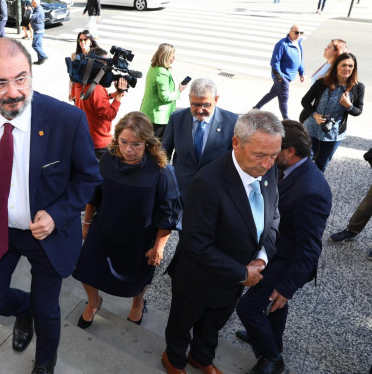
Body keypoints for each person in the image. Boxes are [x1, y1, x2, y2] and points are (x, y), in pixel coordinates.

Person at [0, 38, 101, 374]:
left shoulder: (67, 120)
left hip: (47, 237)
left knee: (48, 308)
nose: (13, 92)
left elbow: (88, 177)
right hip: (0, 230)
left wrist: (56, 215)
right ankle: (24, 311)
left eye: (21, 78)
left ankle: (44, 362)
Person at [162, 110, 282, 374]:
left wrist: (262, 257)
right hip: (198, 277)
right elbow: (197, 245)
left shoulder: (269, 170)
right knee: (182, 324)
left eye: (274, 156)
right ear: (236, 143)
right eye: (260, 155)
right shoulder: (207, 182)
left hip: (237, 278)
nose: (267, 165)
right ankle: (174, 359)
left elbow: (273, 215)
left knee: (213, 324)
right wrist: (243, 273)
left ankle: (201, 358)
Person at [236, 120, 331, 374]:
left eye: (274, 150)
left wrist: (287, 286)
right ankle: (269, 340)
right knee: (273, 305)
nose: (269, 156)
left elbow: (310, 247)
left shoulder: (312, 190)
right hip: (273, 252)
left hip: (285, 261)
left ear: (289, 151)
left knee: (248, 308)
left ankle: (272, 359)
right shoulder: (288, 169)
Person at [73, 111, 182, 329]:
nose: (128, 150)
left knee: (136, 280)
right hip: (104, 229)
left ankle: (138, 303)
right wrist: (86, 224)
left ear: (148, 143)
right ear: (117, 139)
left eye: (136, 144)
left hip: (139, 238)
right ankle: (94, 301)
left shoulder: (161, 171)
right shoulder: (107, 160)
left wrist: (159, 247)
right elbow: (94, 196)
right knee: (84, 269)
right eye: (124, 142)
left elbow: (168, 213)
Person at [161, 78, 239, 196]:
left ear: (216, 99)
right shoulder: (176, 119)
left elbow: (237, 159)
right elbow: (163, 153)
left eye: (206, 105)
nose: (200, 110)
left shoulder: (231, 121)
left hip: (215, 191)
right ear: (189, 99)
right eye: (195, 104)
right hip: (180, 191)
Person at [300, 52, 364, 172]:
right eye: (343, 65)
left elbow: (358, 111)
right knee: (304, 161)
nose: (347, 68)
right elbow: (305, 101)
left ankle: (315, 188)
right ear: (336, 67)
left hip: (334, 133)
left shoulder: (358, 87)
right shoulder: (322, 83)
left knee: (321, 165)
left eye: (351, 66)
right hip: (312, 128)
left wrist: (348, 106)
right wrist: (315, 115)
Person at [71, 47, 127, 159]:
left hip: (86, 137)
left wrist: (113, 95)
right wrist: (118, 97)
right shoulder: (97, 89)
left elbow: (90, 101)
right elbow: (109, 114)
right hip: (99, 143)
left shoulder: (79, 83)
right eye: (105, 64)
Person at [253, 24, 305, 120]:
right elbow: (274, 62)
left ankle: (256, 108)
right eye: (297, 32)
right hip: (282, 76)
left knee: (274, 93)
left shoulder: (298, 43)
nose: (299, 35)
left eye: (301, 33)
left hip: (288, 76)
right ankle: (286, 119)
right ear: (290, 32)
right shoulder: (282, 44)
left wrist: (301, 72)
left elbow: (300, 59)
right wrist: (280, 76)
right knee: (284, 97)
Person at [140, 43, 187, 140]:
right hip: (158, 117)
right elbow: (164, 96)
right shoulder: (162, 72)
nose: (174, 58)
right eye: (172, 55)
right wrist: (179, 91)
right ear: (165, 56)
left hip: (149, 112)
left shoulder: (154, 67)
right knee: (156, 145)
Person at [68, 30, 99, 101]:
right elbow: (71, 76)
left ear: (90, 41)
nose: (83, 42)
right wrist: (70, 91)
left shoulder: (97, 56)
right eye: (80, 40)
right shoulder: (74, 56)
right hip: (78, 90)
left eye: (85, 39)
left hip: (91, 91)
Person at [30, 0, 47, 66]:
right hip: (38, 29)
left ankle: (43, 56)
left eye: (32, 2)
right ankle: (40, 60)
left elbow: (33, 17)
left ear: (35, 3)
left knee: (35, 45)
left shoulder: (38, 9)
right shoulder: (37, 8)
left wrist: (29, 11)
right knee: (39, 46)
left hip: (38, 30)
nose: (31, 3)